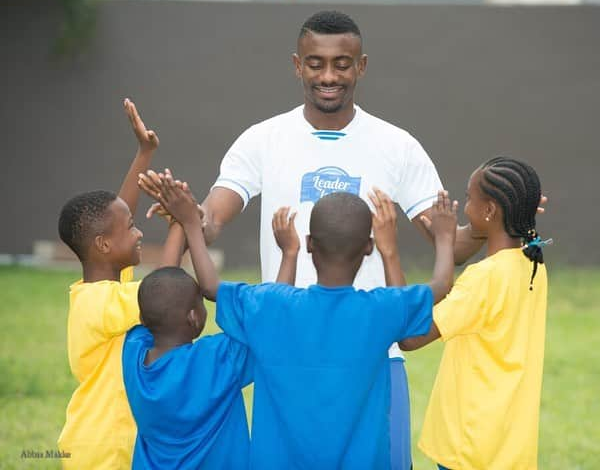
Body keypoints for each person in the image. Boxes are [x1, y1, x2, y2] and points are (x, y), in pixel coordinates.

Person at [140, 10, 490, 470]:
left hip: (372, 357)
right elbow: (212, 221)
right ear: (296, 64)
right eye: (315, 63)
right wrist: (186, 215)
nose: (328, 75)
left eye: (342, 64)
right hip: (285, 355)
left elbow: (452, 243)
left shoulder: (397, 145)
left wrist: (497, 220)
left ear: (361, 66)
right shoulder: (262, 139)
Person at [151, 170, 458, 469]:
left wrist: (192, 223)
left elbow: (210, 286)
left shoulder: (272, 305)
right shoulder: (381, 310)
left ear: (311, 244)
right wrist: (433, 240)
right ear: (368, 247)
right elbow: (441, 285)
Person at [121, 198, 299, 469]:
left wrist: (181, 225)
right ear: (194, 317)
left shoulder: (133, 353)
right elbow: (271, 321)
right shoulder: (217, 360)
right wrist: (289, 254)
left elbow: (159, 288)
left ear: (144, 318)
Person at [56, 100, 185, 469]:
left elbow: (117, 210)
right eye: (132, 229)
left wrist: (144, 153)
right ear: (104, 246)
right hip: (102, 448)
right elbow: (165, 290)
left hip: (111, 441)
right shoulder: (99, 304)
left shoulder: (107, 282)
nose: (140, 230)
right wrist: (180, 225)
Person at [399, 157, 550, 470]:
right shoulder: (533, 264)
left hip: (470, 444)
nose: (464, 208)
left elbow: (410, 338)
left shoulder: (484, 278)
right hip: (508, 440)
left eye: (469, 199)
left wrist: (441, 240)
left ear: (491, 210)